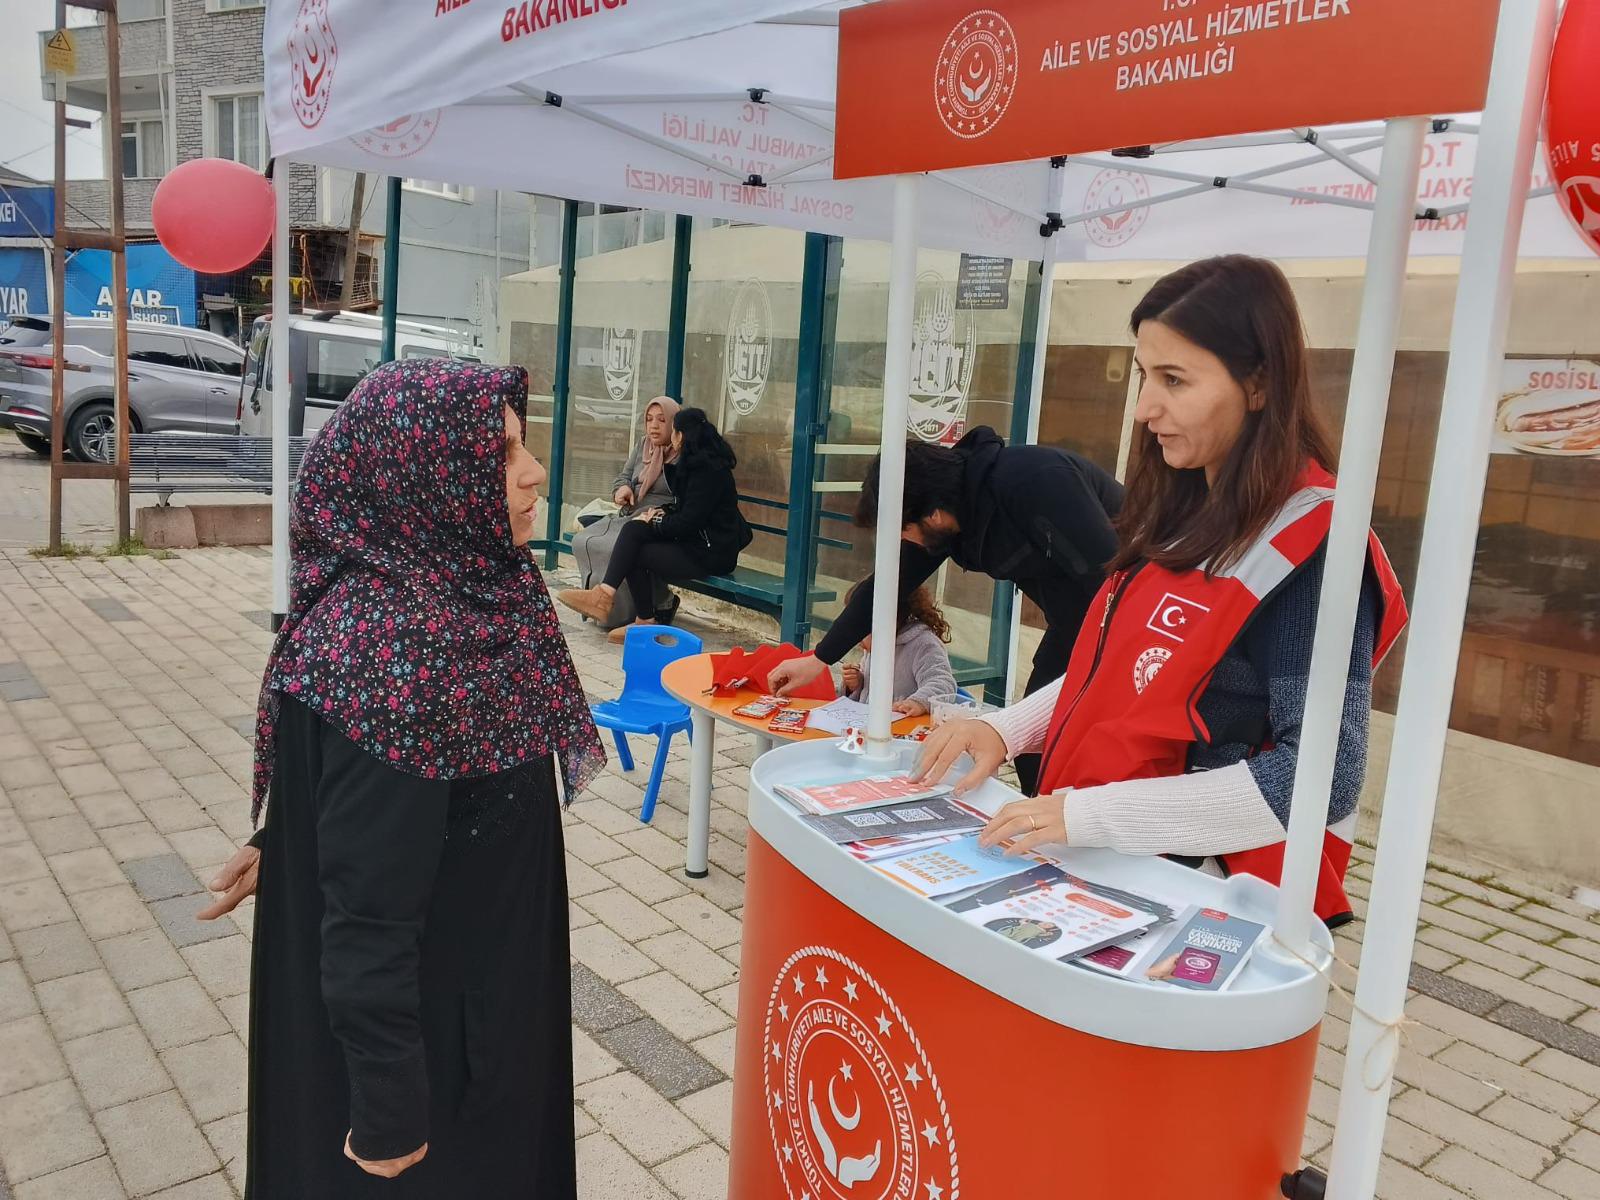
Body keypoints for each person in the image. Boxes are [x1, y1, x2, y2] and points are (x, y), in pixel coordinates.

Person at [203, 358, 605, 1197]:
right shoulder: (401, 650)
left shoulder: (453, 589)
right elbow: (369, 920)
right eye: (498, 456)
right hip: (446, 1042)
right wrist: (388, 1107)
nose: (533, 472)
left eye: (523, 447)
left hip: (477, 988)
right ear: (420, 479)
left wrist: (290, 837)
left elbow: (374, 808)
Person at [912, 255, 1408, 928]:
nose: (1146, 409)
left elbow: (1320, 775)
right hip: (1116, 867)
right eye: (1145, 374)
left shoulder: (1311, 547)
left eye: (1174, 380)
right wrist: (1004, 729)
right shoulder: (1186, 510)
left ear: (1260, 385)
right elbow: (1125, 674)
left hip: (1206, 904)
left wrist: (1084, 814)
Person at [770, 427, 1123, 793]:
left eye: (903, 530)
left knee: (1088, 744)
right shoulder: (949, 514)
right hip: (1076, 622)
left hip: (1135, 617)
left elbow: (1114, 580)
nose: (903, 541)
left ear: (933, 514)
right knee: (1033, 747)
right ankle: (1048, 830)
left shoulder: (1035, 481)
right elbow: (885, 588)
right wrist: (818, 659)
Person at [556, 407, 751, 644]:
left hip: (712, 553)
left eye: (674, 430)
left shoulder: (708, 472)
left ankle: (627, 610)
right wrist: (660, 513)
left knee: (635, 545)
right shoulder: (695, 465)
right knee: (634, 531)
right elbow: (686, 510)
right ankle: (619, 605)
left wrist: (657, 521)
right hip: (696, 543)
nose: (670, 435)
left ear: (681, 435)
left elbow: (688, 523)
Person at [570, 396, 681, 628]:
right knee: (584, 539)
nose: (654, 425)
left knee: (616, 546)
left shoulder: (682, 453)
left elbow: (684, 499)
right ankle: (602, 605)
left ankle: (629, 610)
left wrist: (660, 511)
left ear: (674, 423)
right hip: (631, 513)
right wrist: (622, 488)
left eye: (661, 420)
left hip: (656, 518)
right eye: (649, 419)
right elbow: (623, 476)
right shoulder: (643, 445)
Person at [840, 582, 957, 719]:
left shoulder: (924, 644)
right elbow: (868, 692)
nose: (855, 637)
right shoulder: (876, 646)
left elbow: (943, 684)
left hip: (905, 730)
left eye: (861, 628)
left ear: (886, 621)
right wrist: (857, 683)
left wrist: (917, 703)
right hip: (870, 724)